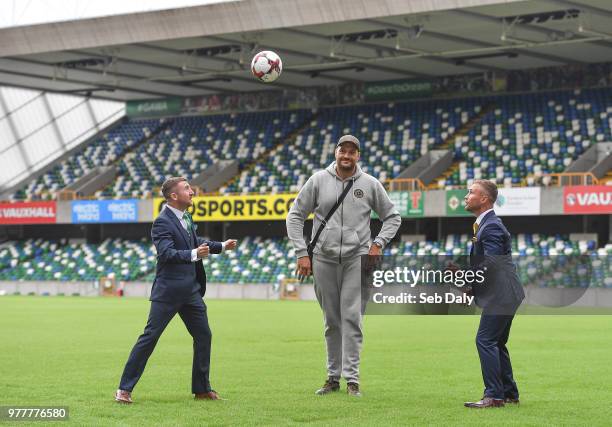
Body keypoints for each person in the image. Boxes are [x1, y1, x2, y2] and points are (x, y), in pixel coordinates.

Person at [286, 135, 401, 397]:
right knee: (332, 321)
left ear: (358, 156)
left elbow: (392, 217)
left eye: (352, 152)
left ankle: (353, 380)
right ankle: (332, 377)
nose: (346, 156)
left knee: (352, 319)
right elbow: (295, 216)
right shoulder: (317, 180)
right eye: (342, 150)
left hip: (357, 260)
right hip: (323, 258)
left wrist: (378, 244)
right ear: (335, 152)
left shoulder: (370, 184)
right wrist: (302, 253)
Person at [115, 177, 237, 404]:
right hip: (169, 291)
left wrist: (221, 246)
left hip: (191, 291)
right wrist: (194, 254)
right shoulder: (161, 222)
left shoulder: (186, 217)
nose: (192, 191)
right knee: (150, 337)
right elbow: (166, 253)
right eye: (186, 188)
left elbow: (194, 241)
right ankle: (124, 389)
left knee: (204, 336)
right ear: (173, 196)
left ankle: (201, 389)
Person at [462, 179, 525, 408]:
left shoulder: (491, 226)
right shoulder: (486, 224)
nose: (467, 196)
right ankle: (509, 393)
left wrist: (468, 278)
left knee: (485, 340)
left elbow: (492, 262)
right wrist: (472, 286)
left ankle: (494, 396)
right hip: (506, 292)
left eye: (471, 192)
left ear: (484, 199)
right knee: (496, 342)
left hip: (502, 294)